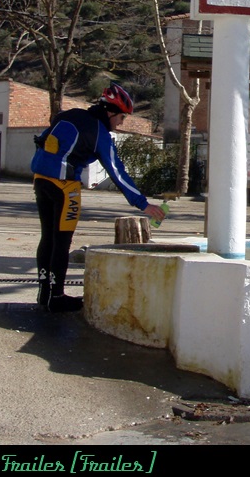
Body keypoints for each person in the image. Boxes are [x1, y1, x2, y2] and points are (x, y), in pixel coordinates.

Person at [30, 83, 167, 312]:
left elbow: (43, 139)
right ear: (110, 112)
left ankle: (45, 293)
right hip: (65, 186)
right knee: (62, 242)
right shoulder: (99, 133)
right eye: (121, 117)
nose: (121, 123)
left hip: (40, 179)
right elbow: (117, 172)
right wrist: (143, 204)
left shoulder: (69, 115)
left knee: (47, 238)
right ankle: (57, 297)